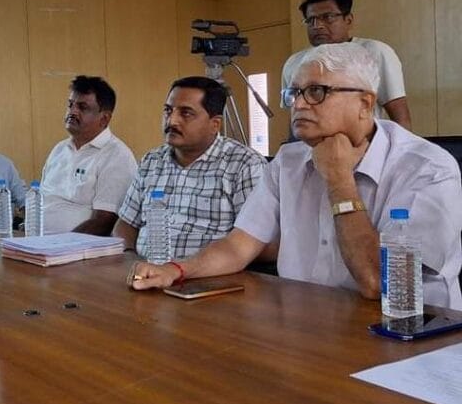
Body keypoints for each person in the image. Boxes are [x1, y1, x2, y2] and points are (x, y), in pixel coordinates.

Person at [131, 43, 462, 309]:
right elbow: (238, 246)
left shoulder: (428, 168)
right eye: (294, 93)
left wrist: (339, 180)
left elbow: (378, 283)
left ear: (365, 103)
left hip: (404, 335)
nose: (299, 104)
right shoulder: (288, 160)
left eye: (316, 92)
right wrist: (176, 270)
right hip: (307, 323)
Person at [83, 77, 266, 256]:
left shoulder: (244, 165)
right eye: (168, 111)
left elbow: (256, 240)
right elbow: (126, 224)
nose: (172, 121)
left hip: (207, 273)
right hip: (147, 268)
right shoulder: (152, 161)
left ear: (215, 124)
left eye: (186, 113)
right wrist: (129, 259)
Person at [282, 0, 412, 129]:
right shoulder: (294, 62)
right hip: (310, 143)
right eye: (311, 20)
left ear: (348, 20)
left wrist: (404, 144)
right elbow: (295, 117)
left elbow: (400, 118)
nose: (317, 26)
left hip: (363, 141)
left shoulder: (374, 51)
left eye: (328, 17)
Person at [38, 76, 136, 234]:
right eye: (70, 105)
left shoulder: (117, 156)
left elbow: (104, 222)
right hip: (36, 240)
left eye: (82, 107)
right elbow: (43, 201)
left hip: (75, 246)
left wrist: (62, 243)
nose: (72, 112)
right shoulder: (59, 150)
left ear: (104, 118)